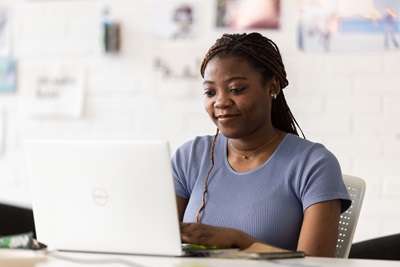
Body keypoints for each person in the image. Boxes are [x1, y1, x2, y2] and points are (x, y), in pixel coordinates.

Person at [172, 32, 351, 257]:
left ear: (272, 87)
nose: (220, 102)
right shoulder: (190, 156)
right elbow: (154, 240)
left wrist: (241, 241)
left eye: (236, 89)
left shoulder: (313, 163)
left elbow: (318, 264)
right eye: (210, 92)